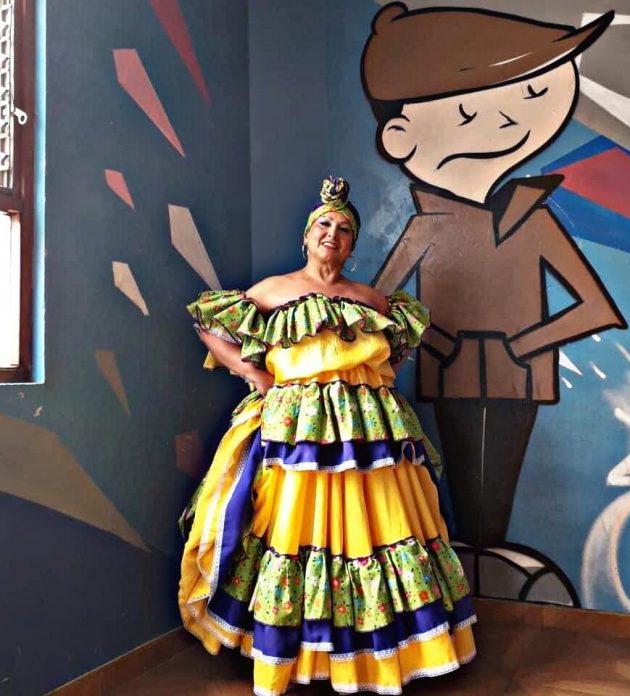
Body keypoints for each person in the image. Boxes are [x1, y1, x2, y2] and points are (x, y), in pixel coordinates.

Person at [178, 177, 476, 696]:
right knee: (295, 530)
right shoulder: (274, 290)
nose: (331, 233)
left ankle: (389, 656)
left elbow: (397, 350)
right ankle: (295, 655)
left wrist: (370, 392)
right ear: (306, 236)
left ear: (352, 245)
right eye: (323, 224)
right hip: (300, 434)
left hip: (372, 438)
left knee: (382, 526)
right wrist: (253, 374)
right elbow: (208, 323)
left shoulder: (371, 299)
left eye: (343, 229)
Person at [362, 4, 626, 550]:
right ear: (400, 136)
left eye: (532, 93)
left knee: (494, 506)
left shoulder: (534, 218)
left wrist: (525, 344)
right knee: (464, 500)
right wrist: (441, 341)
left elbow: (597, 306)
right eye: (465, 113)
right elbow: (380, 306)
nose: (505, 122)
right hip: (449, 376)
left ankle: (494, 568)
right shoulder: (429, 224)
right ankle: (472, 569)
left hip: (520, 378)